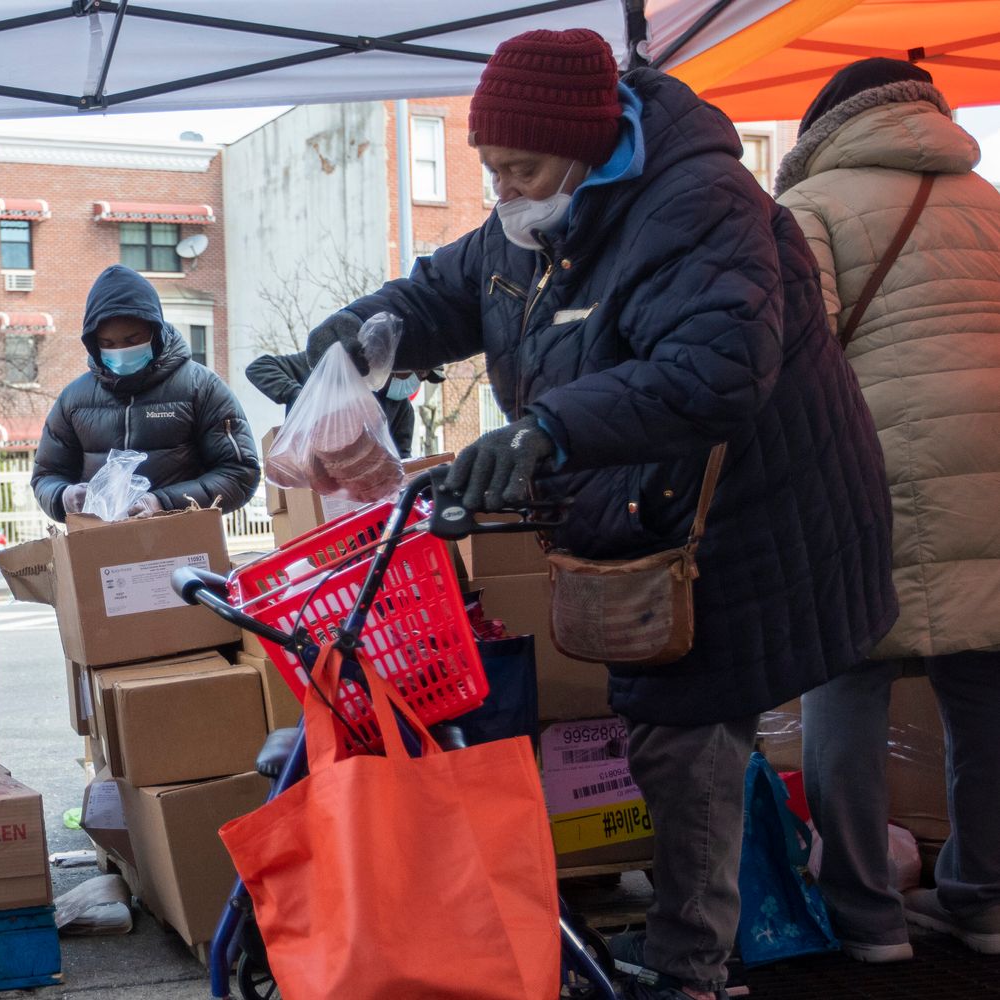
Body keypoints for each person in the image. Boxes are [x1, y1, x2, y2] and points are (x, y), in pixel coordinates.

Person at [307, 29, 895, 1000]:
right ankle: (697, 938)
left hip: (745, 521)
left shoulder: (697, 203)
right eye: (487, 168)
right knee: (673, 731)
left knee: (683, 734)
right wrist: (348, 344)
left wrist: (544, 431)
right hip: (648, 505)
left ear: (585, 143)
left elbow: (713, 368)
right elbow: (449, 289)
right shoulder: (542, 206)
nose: (501, 188)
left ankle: (687, 968)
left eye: (518, 167)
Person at [774, 58, 1000, 963]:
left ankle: (867, 916)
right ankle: (984, 900)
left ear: (823, 125)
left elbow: (799, 352)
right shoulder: (988, 201)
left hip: (865, 468)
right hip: (988, 471)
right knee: (985, 694)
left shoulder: (810, 207)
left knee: (847, 676)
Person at [33, 264, 260, 520]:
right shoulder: (73, 399)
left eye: (132, 340)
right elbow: (46, 475)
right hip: (99, 548)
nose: (120, 351)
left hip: (185, 545)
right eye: (107, 344)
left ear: (155, 333)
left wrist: (163, 503)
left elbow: (240, 473)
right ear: (94, 344)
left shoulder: (201, 387)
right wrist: (63, 496)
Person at [244, 346, 437, 455]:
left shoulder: (402, 408)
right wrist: (302, 397)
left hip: (362, 499)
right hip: (309, 480)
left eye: (423, 376)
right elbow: (259, 368)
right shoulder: (333, 369)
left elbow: (401, 458)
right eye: (419, 372)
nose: (417, 381)